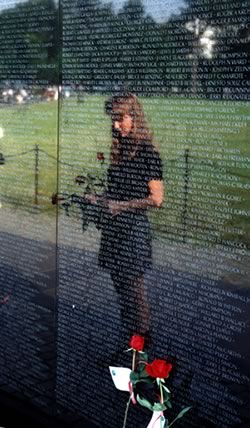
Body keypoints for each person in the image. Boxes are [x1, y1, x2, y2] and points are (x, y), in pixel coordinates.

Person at [90, 93, 164, 344]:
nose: (115, 125)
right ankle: (127, 347)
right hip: (114, 230)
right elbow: (117, 190)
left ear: (134, 117)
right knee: (121, 292)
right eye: (113, 119)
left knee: (135, 294)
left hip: (133, 232)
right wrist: (99, 198)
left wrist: (120, 206)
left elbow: (156, 199)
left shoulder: (148, 153)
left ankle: (140, 358)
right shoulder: (119, 151)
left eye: (120, 118)